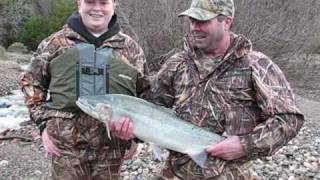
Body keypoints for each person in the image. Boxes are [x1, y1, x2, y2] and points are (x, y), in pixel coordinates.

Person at [149, 0, 304, 179]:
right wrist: (127, 125)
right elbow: (151, 109)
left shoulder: (257, 65)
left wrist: (245, 145)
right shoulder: (177, 63)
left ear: (227, 22)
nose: (194, 27)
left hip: (231, 174)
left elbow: (290, 119)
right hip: (176, 172)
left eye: (203, 21)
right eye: (192, 21)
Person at [19, 0, 148, 179]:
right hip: (65, 152)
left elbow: (145, 96)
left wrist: (136, 137)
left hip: (111, 153)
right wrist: (42, 126)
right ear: (79, 3)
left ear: (114, 4)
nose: (97, 8)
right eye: (90, 1)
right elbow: (30, 83)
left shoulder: (132, 50)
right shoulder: (54, 44)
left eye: (103, 3)